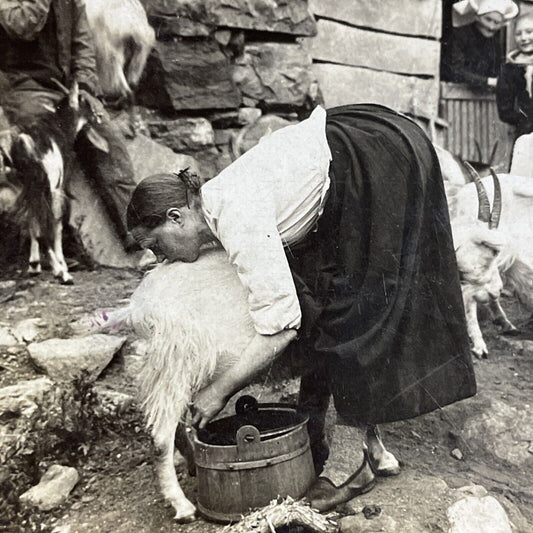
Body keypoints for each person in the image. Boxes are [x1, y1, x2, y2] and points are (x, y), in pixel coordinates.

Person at [126, 104, 477, 511]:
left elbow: (281, 326)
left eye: (155, 245)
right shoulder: (215, 201)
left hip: (378, 158)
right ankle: (339, 439)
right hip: (356, 143)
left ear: (176, 217)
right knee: (328, 297)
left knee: (360, 310)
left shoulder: (236, 214)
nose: (158, 258)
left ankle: (352, 465)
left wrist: (219, 391)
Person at [0, 0, 137, 248]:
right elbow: (24, 27)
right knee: (44, 151)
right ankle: (55, 246)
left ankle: (138, 232)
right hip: (23, 86)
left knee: (109, 144)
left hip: (65, 88)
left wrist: (84, 86)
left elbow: (82, 45)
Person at [441, 0, 519, 90]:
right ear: (477, 17)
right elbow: (454, 71)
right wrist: (488, 81)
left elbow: (496, 72)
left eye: (497, 23)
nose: (491, 26)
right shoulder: (459, 36)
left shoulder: (495, 44)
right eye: (488, 19)